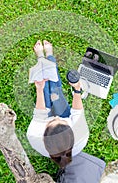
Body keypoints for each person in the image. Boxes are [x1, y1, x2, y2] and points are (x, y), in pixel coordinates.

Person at [27, 40, 89, 169]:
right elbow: (77, 112)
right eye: (62, 121)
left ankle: (41, 58)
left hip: (45, 120)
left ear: (44, 137)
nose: (56, 117)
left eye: (52, 122)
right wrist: (77, 89)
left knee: (44, 92)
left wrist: (39, 89)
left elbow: (40, 114)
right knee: (55, 91)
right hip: (62, 119)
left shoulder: (34, 135)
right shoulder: (81, 134)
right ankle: (49, 55)